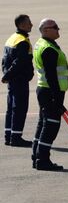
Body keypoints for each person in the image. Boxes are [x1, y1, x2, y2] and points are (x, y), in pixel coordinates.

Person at [29, 18, 66, 171]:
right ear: (45, 30)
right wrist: (57, 99)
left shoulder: (41, 44)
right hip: (50, 91)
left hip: (44, 89)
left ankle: (36, 156)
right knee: (51, 126)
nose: (58, 29)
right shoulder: (48, 49)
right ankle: (42, 159)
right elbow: (52, 76)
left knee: (43, 123)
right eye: (55, 27)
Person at [3, 14, 33, 147]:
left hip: (12, 80)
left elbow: (4, 60)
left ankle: (8, 135)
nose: (31, 25)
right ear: (21, 25)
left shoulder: (12, 38)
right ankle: (16, 137)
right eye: (29, 23)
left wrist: (6, 75)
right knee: (19, 108)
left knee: (11, 108)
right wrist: (8, 76)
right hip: (19, 79)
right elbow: (19, 62)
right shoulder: (22, 41)